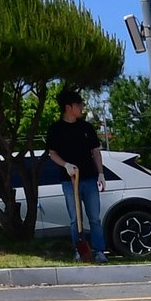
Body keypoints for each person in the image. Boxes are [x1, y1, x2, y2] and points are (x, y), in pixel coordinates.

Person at [46, 87, 107, 263]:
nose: (81, 108)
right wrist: (65, 165)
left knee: (94, 217)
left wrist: (101, 174)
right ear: (68, 107)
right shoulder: (56, 129)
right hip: (69, 181)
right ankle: (79, 250)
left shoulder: (86, 127)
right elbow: (52, 153)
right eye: (78, 104)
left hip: (89, 178)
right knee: (75, 218)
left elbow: (95, 151)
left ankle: (99, 251)